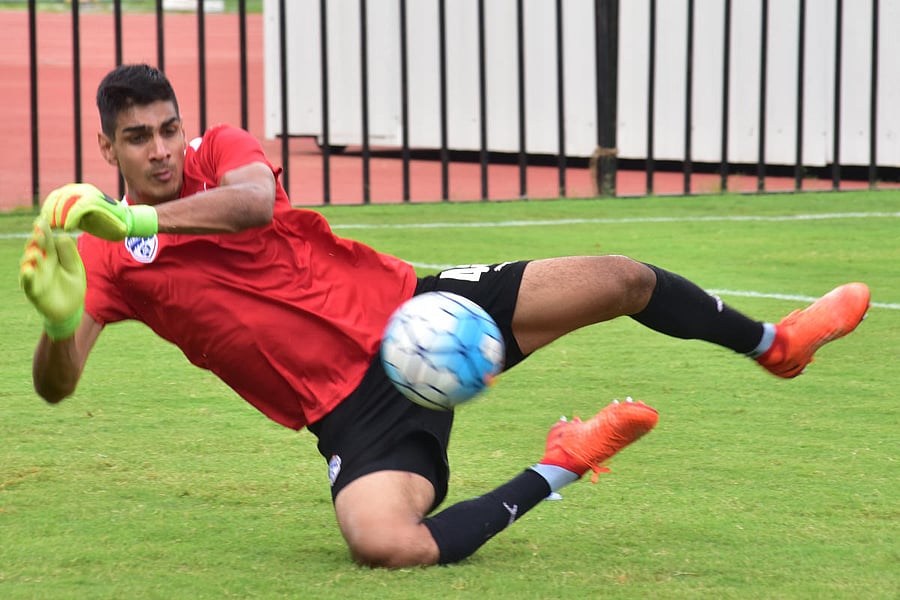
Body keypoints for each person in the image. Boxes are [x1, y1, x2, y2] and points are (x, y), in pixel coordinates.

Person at [19, 64, 870, 568]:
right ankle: (566, 461)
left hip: (420, 308)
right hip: (351, 410)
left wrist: (129, 217)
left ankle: (777, 344)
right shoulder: (97, 263)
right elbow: (58, 389)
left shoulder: (220, 153)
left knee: (620, 278)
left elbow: (247, 207)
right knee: (385, 546)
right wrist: (61, 323)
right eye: (139, 139)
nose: (163, 150)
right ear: (108, 148)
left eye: (167, 129)